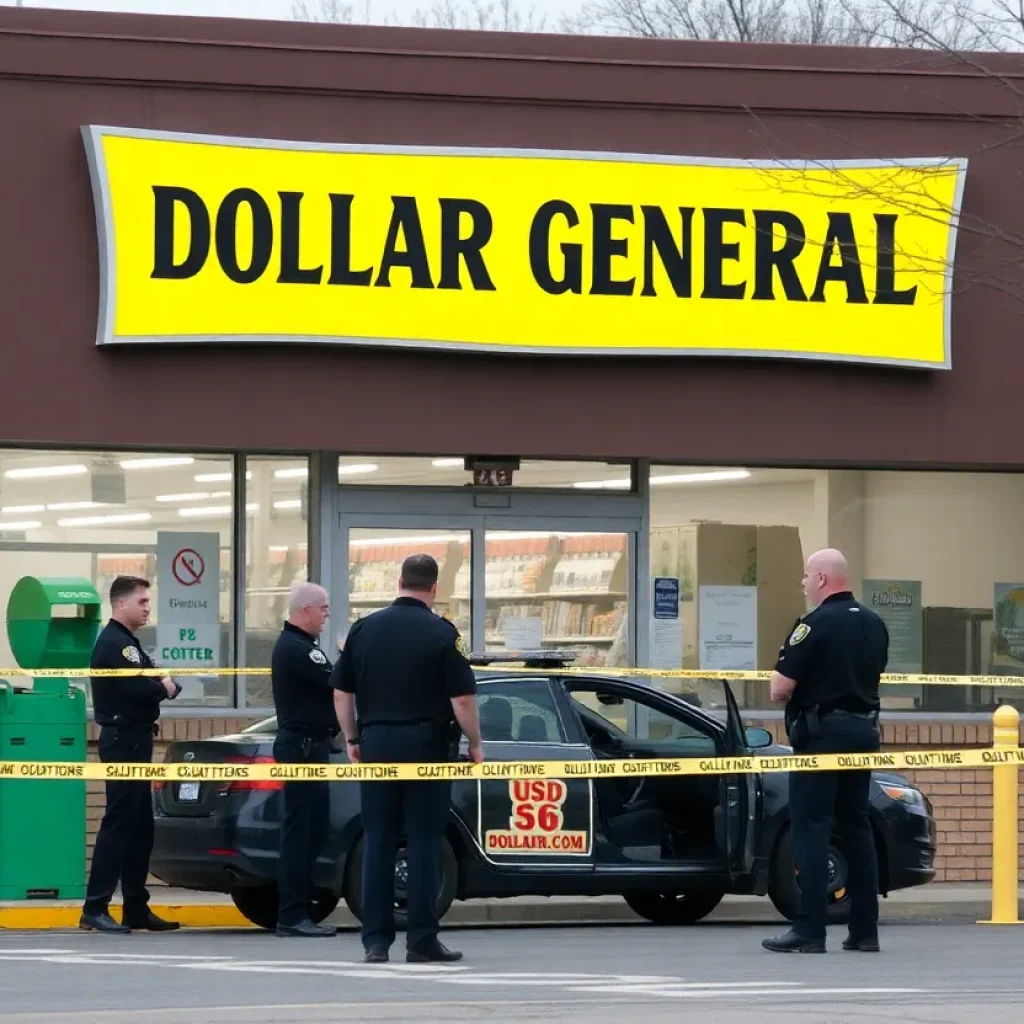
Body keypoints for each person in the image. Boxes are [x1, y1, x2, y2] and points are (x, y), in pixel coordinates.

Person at [331, 553, 483, 965]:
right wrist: (475, 743)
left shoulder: (363, 630)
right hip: (427, 747)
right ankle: (421, 940)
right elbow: (463, 699)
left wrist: (353, 738)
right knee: (423, 842)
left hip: (377, 743)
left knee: (378, 840)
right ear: (434, 588)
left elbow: (341, 693)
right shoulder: (443, 632)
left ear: (398, 581)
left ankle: (375, 942)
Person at [762, 548, 889, 955]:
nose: (802, 583)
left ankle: (810, 929)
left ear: (820, 579)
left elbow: (779, 689)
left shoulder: (813, 625)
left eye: (804, 576)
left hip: (820, 738)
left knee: (812, 829)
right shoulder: (874, 624)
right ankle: (865, 931)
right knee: (857, 827)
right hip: (863, 733)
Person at [80, 575, 182, 934]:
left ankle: (136, 906)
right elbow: (143, 688)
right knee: (120, 823)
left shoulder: (128, 644)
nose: (147, 608)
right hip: (124, 741)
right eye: (142, 601)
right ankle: (95, 907)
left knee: (141, 828)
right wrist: (164, 685)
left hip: (136, 741)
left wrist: (163, 682)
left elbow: (153, 677)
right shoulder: (115, 644)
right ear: (121, 603)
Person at [270, 582, 338, 938]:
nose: (327, 614)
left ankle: (299, 906)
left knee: (314, 829)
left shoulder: (302, 646)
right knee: (300, 832)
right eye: (323, 608)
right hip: (303, 748)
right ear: (306, 610)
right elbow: (337, 683)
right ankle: (292, 913)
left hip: (311, 747)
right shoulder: (298, 649)